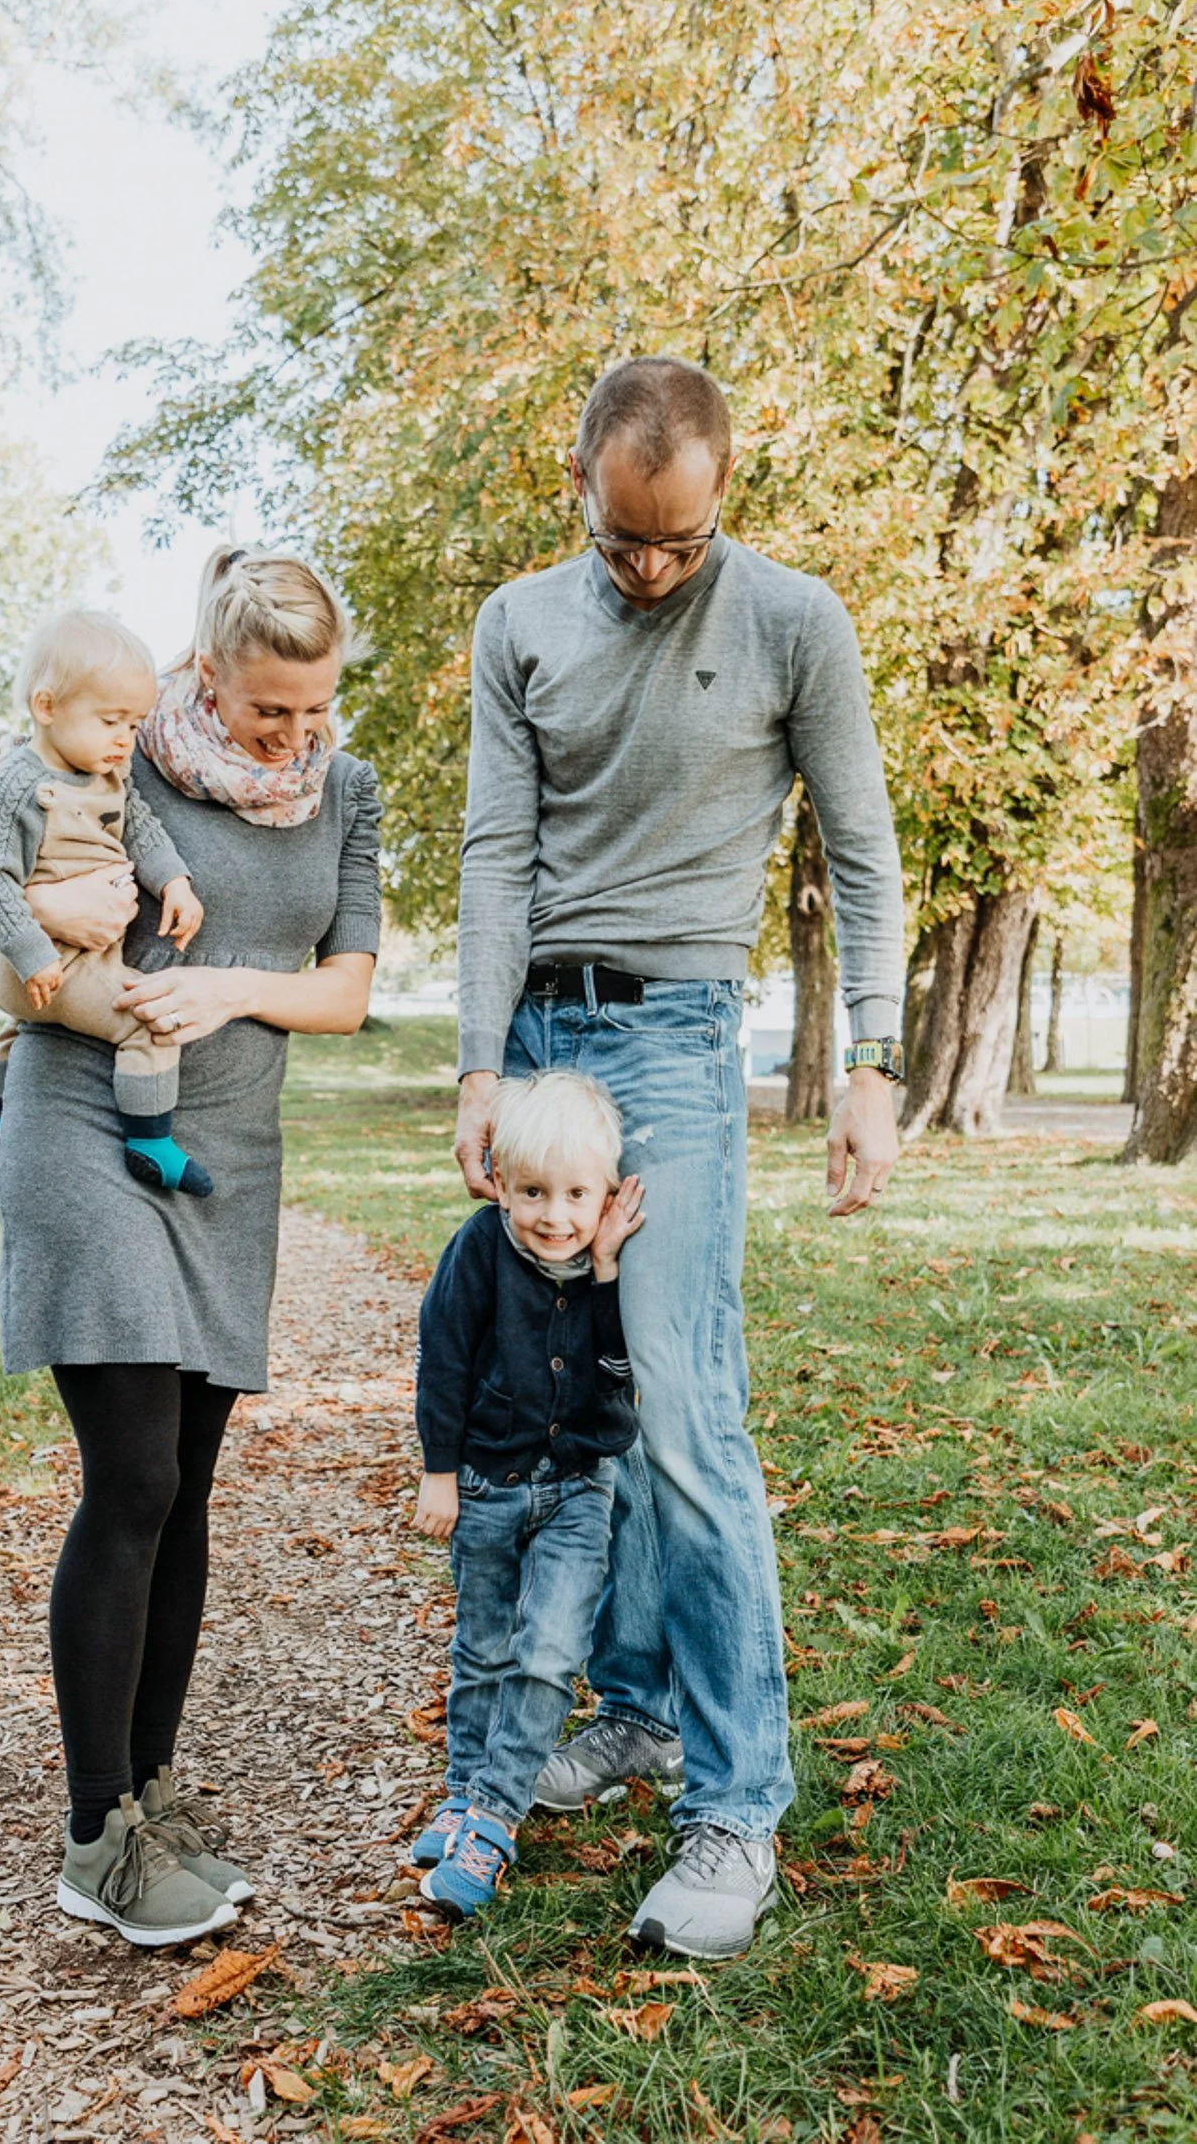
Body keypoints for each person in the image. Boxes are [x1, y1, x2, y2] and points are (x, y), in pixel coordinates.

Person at [453, 355, 905, 1960]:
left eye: (683, 542)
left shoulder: (795, 621)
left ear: (724, 498)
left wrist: (870, 1059)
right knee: (598, 1408)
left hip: (681, 1046)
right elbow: (497, 848)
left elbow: (863, 849)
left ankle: (736, 1806)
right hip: (550, 1048)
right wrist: (482, 1060)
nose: (654, 570)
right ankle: (633, 1708)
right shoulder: (520, 626)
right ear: (577, 480)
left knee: (693, 1416)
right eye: (627, 540)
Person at [0, 544, 381, 1948]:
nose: (293, 737)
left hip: (228, 1160)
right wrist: (48, 911)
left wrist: (230, 985)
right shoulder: (120, 747)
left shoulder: (345, 792)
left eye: (315, 709)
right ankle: (92, 1834)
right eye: (264, 709)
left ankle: (151, 1796)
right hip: (85, 1127)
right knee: (134, 1472)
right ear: (203, 675)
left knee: (189, 1488)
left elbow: (347, 991)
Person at [410, 1070, 646, 1919]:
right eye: (535, 1192)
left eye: (577, 1194)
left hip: (581, 1489)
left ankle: (494, 1823)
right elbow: (442, 1361)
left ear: (606, 1193)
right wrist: (439, 1471)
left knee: (548, 1652)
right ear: (501, 1183)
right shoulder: (478, 1249)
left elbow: (619, 1384)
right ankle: (461, 1793)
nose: (556, 1216)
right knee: (483, 1651)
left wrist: (608, 1275)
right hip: (484, 1487)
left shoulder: (603, 1268)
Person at [0, 608, 208, 1195]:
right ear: (46, 708)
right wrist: (34, 954)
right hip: (41, 962)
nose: (126, 739)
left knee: (23, 1028)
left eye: (135, 722)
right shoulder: (13, 781)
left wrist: (174, 881)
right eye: (110, 721)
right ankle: (150, 1143)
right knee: (151, 1022)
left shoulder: (105, 772)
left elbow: (139, 828)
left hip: (49, 978)